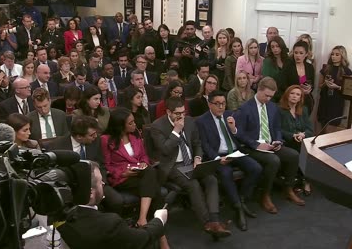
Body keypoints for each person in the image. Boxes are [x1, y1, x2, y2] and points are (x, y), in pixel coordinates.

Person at [151, 97, 231, 238]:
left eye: (183, 112)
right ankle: (208, 224)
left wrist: (198, 158)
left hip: (192, 163)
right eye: (177, 113)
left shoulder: (189, 121)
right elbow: (165, 150)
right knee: (192, 183)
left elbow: (197, 143)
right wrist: (176, 131)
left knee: (211, 179)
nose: (181, 116)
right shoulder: (158, 126)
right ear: (168, 111)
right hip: (173, 165)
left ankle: (214, 220)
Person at [58, 161, 168, 249]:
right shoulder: (109, 223)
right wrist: (159, 219)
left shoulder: (57, 214)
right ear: (90, 192)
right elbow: (143, 238)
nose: (103, 184)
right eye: (100, 181)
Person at [234, 77, 305, 214]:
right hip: (251, 146)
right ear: (258, 90)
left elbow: (277, 128)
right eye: (266, 95)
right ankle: (265, 195)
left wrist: (278, 141)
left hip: (270, 144)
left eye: (271, 96)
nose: (268, 99)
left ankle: (288, 188)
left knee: (293, 155)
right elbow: (239, 134)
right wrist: (256, 145)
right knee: (274, 160)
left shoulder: (273, 107)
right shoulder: (245, 108)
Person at [196, 90, 262, 231]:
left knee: (256, 168)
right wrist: (217, 158)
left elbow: (240, 136)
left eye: (223, 103)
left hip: (235, 152)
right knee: (226, 174)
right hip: (218, 156)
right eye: (217, 104)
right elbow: (204, 144)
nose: (221, 107)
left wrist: (234, 130)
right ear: (210, 104)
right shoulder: (201, 121)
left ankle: (242, 199)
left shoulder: (229, 115)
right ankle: (238, 208)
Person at [101, 108, 162, 228]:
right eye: (130, 123)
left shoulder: (135, 134)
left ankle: (143, 221)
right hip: (122, 177)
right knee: (154, 186)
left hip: (140, 174)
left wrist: (144, 162)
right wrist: (123, 173)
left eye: (134, 121)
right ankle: (154, 225)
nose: (134, 124)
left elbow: (144, 155)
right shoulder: (106, 140)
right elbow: (106, 165)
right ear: (120, 126)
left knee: (149, 173)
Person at [279, 85, 314, 195]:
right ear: (287, 95)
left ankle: (306, 180)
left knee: (311, 148)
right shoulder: (279, 110)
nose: (294, 96)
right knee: (302, 149)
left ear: (300, 98)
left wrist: (303, 134)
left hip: (301, 140)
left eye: (298, 94)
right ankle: (300, 180)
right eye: (292, 93)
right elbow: (278, 130)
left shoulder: (304, 109)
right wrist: (292, 135)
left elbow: (310, 129)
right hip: (287, 141)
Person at [317, 45, 352, 132]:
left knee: (331, 127)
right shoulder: (326, 69)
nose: (334, 56)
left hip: (337, 102)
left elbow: (348, 90)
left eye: (337, 54)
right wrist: (325, 83)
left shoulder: (346, 71)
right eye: (332, 54)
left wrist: (337, 87)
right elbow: (319, 86)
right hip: (325, 101)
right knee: (322, 126)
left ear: (342, 56)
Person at [282, 41, 315, 114]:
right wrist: (297, 90)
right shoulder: (288, 66)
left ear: (306, 54)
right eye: (296, 53)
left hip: (305, 101)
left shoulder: (310, 67)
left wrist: (309, 89)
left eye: (301, 53)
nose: (298, 56)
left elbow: (312, 85)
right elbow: (283, 85)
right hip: (290, 101)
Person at [262, 36, 290, 102]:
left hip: (286, 93)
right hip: (272, 94)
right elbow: (266, 79)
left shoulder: (288, 60)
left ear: (282, 46)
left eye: (277, 46)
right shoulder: (267, 61)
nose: (275, 49)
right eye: (273, 47)